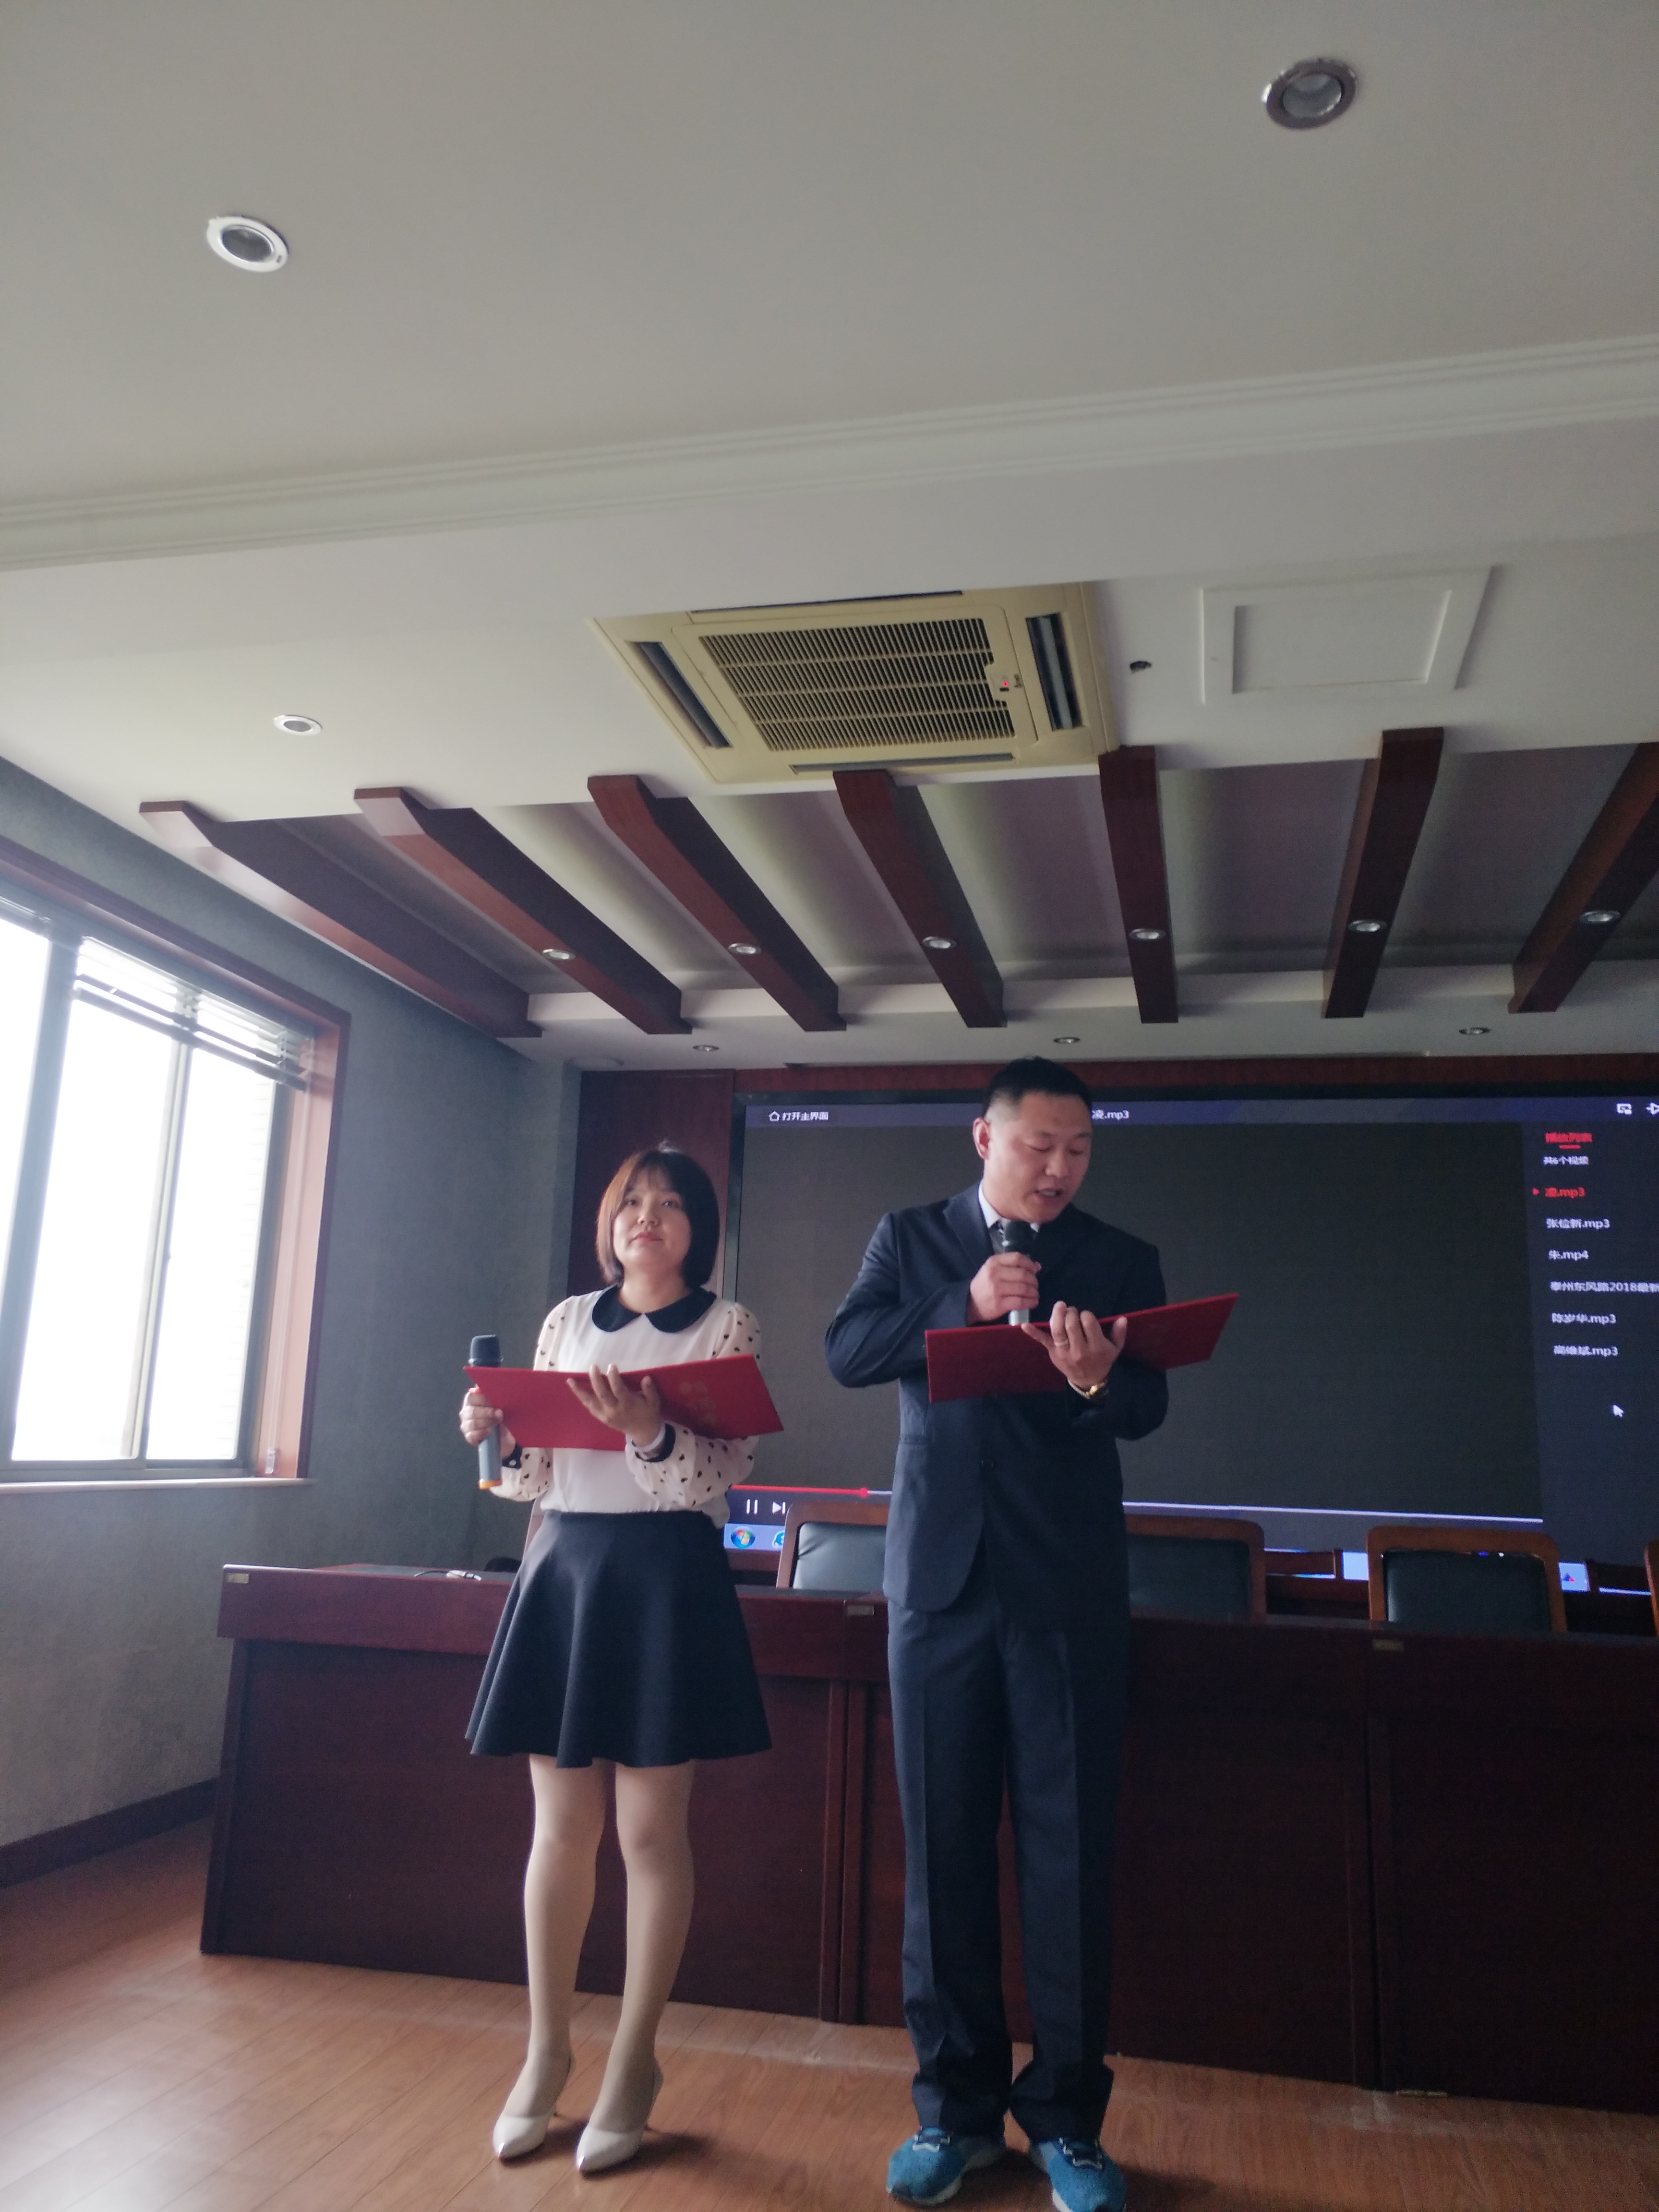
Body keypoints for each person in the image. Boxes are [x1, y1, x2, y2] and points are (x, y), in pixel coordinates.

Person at [825, 1060, 1167, 2212]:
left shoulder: (1119, 1257)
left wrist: (1096, 1383)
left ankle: (1069, 2124)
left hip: (1068, 1592)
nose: (1059, 1169)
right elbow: (848, 1351)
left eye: (1079, 1149)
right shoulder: (911, 1238)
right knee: (944, 1858)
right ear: (985, 1139)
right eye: (1039, 1146)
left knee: (1069, 1862)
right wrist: (961, 1306)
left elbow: (1150, 1406)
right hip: (938, 1591)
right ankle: (956, 2116)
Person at [460, 1146, 768, 2172]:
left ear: (697, 1228)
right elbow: (528, 1477)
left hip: (666, 1576)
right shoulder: (566, 1319)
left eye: (672, 1204)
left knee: (648, 1832)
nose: (649, 1217)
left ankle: (634, 2063)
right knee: (559, 1829)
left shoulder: (727, 1325)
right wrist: (496, 1436)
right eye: (633, 1201)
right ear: (611, 1220)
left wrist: (648, 1431)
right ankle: (545, 2054)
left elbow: (716, 1477)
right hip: (564, 1567)